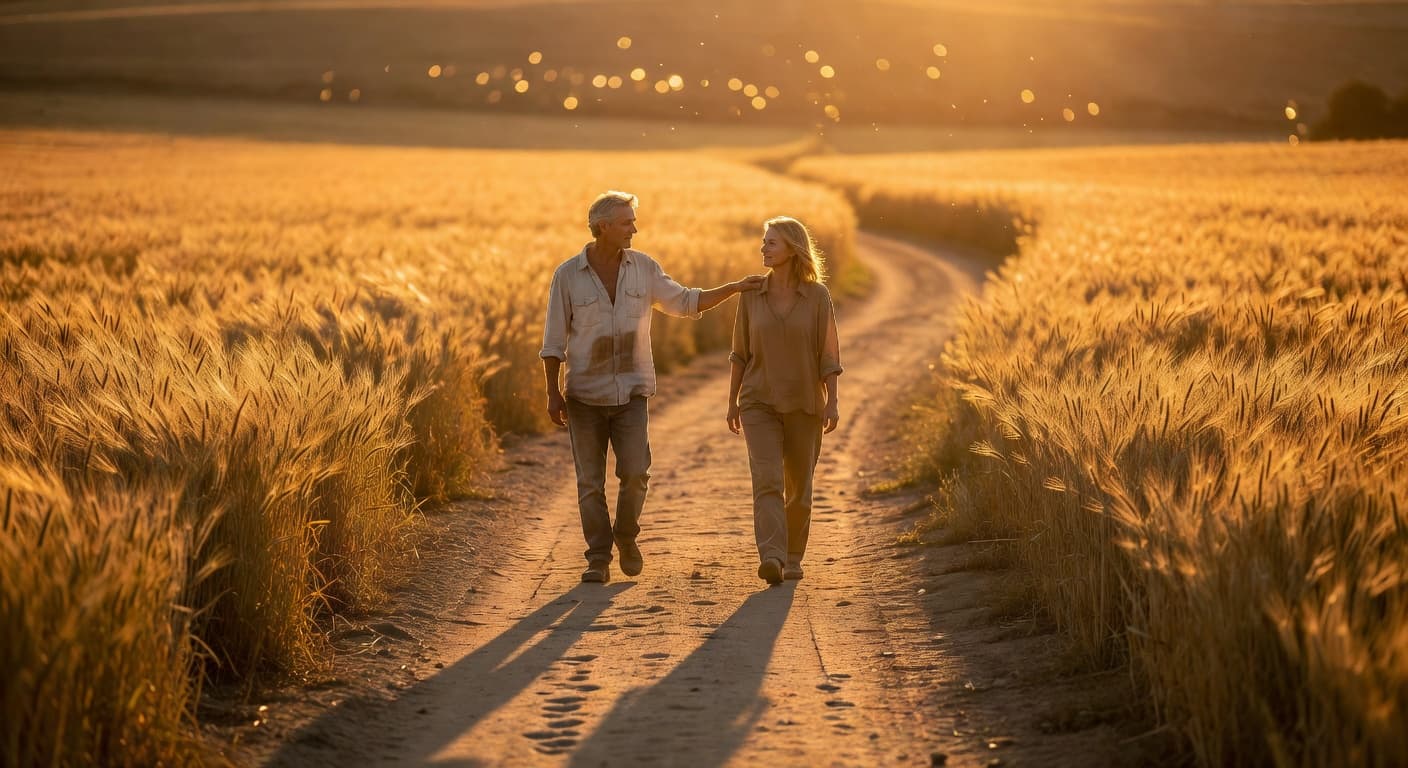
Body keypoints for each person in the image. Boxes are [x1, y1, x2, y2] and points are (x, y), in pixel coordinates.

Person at [541, 191, 764, 584]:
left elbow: (685, 302)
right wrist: (552, 392)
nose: (634, 228)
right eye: (626, 222)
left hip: (631, 394)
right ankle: (597, 557)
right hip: (583, 397)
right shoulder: (567, 276)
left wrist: (732, 288)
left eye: (633, 220)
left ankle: (626, 537)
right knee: (589, 482)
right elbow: (553, 340)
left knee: (636, 472)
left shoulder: (644, 269)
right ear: (603, 226)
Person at [726, 216, 842, 585]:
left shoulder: (818, 296)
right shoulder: (751, 294)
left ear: (793, 249)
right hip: (758, 401)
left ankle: (794, 556)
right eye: (763, 241)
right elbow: (739, 353)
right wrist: (732, 402)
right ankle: (772, 557)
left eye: (771, 243)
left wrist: (833, 400)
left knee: (800, 488)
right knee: (767, 480)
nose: (763, 248)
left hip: (805, 402)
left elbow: (829, 355)